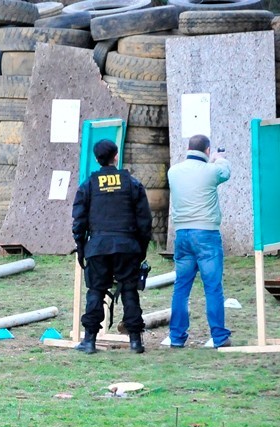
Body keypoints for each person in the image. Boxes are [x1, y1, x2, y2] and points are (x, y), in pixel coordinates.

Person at [72, 139, 153, 354]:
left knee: (96, 291)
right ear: (115, 156)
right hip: (127, 245)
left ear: (96, 159)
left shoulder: (88, 185)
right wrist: (140, 249)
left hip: (98, 246)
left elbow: (78, 222)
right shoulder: (132, 183)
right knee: (129, 290)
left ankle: (89, 341)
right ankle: (135, 341)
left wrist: (81, 248)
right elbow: (145, 221)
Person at [167, 134, 232, 349]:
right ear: (207, 150)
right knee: (213, 287)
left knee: (181, 287)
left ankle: (176, 337)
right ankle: (219, 336)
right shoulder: (212, 170)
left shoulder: (173, 171)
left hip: (182, 235)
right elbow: (225, 172)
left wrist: (209, 160)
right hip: (206, 235)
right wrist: (219, 158)